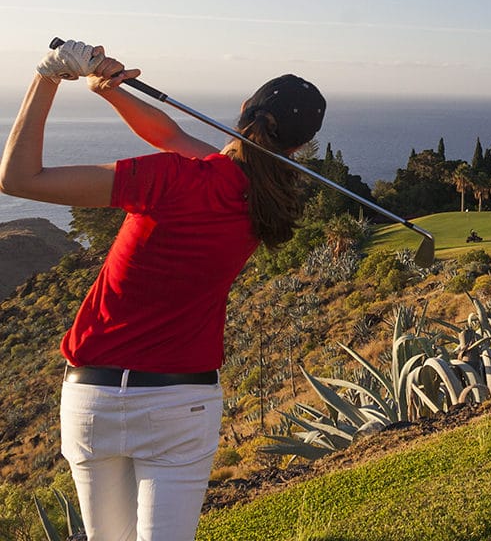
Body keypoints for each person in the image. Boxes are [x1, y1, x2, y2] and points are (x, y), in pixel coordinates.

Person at [0, 39, 326, 541]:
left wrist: (48, 75)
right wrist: (110, 90)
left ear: (244, 109)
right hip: (182, 402)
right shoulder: (266, 198)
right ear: (299, 149)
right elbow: (172, 136)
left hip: (94, 395)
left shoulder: (169, 178)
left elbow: (20, 178)